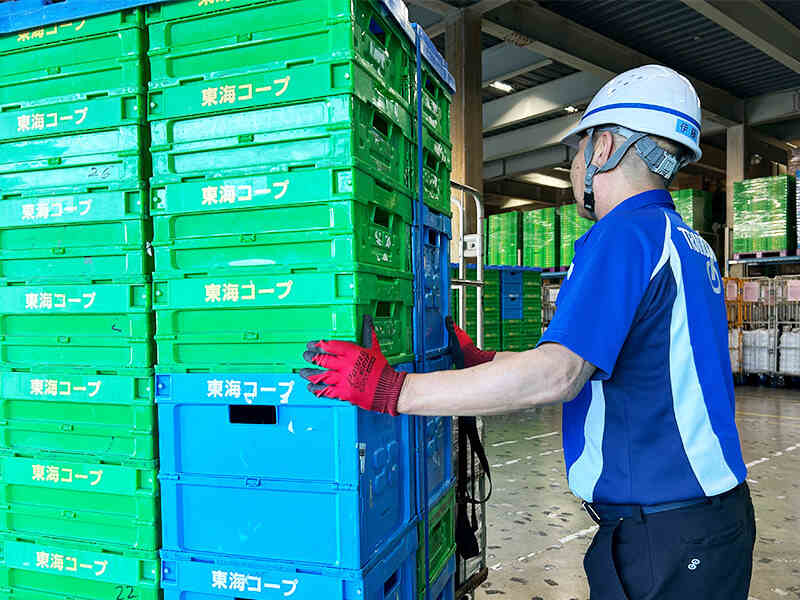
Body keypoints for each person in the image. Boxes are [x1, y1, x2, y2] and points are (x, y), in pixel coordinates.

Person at [301, 65, 756, 600]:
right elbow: (620, 359)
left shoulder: (624, 235)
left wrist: (392, 390)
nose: (575, 166)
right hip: (708, 526)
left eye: (578, 150)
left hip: (665, 538)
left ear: (604, 146)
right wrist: (489, 361)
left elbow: (559, 374)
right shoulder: (685, 241)